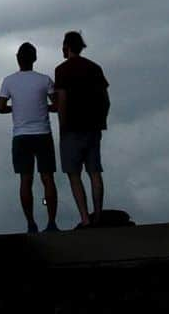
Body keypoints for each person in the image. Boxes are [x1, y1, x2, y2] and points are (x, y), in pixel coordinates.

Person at [0, 42, 59, 234]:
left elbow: (0, 107)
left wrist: (17, 107)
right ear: (35, 58)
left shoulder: (9, 81)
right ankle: (50, 221)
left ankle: (31, 223)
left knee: (26, 180)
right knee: (47, 179)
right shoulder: (44, 80)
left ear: (17, 58)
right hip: (42, 133)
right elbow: (56, 105)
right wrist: (43, 107)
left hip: (21, 135)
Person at [54, 30, 110, 228]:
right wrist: (101, 120)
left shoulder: (61, 70)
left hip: (71, 128)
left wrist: (62, 125)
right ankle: (98, 215)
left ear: (66, 47)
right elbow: (105, 99)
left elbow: (62, 100)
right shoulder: (95, 68)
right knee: (95, 172)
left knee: (74, 174)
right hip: (93, 127)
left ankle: (85, 218)